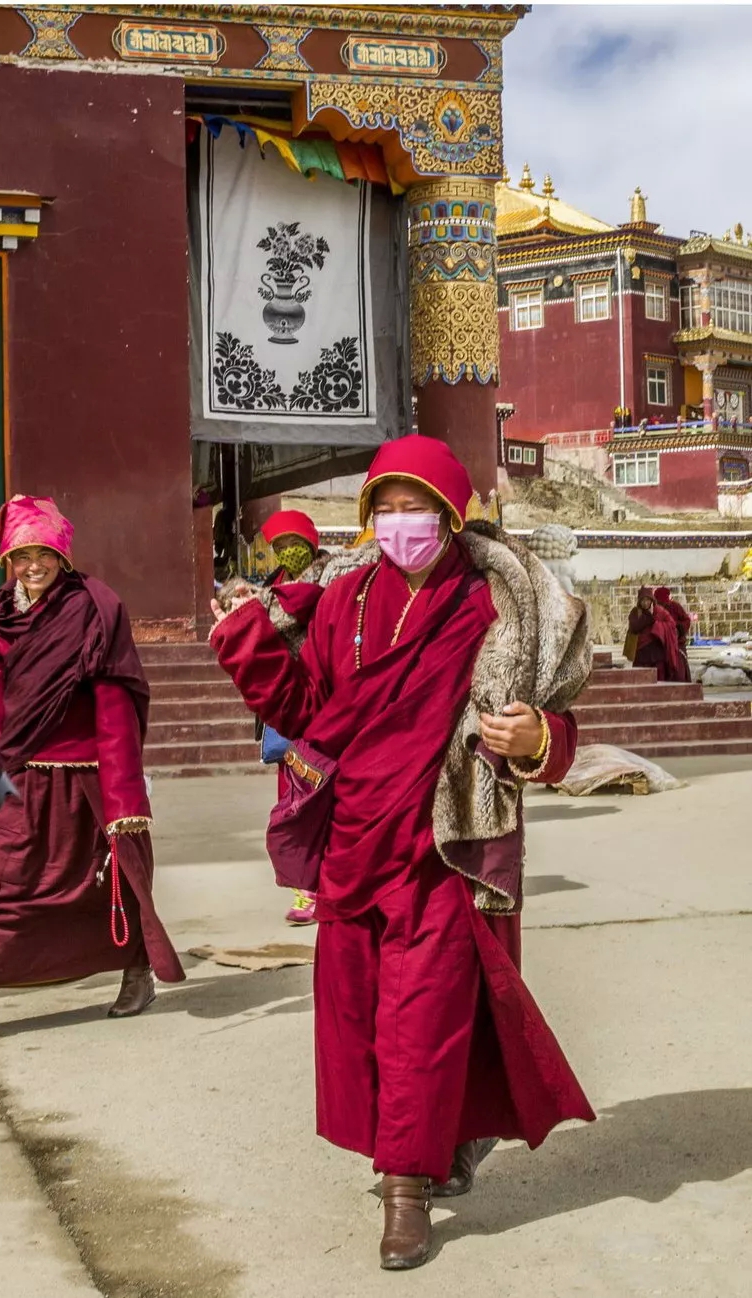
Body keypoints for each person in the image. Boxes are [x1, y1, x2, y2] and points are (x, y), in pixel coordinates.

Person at [210, 436, 595, 1270]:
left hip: (442, 849)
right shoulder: (345, 602)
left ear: (451, 516)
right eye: (382, 509)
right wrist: (248, 642)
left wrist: (537, 738)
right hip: (355, 844)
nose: (397, 524)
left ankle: (406, 1189)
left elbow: (555, 727)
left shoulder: (502, 609)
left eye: (414, 507)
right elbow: (310, 707)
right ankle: (431, 1141)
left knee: (421, 1020)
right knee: (360, 1023)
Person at [0, 495, 184, 1044]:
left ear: (63, 555)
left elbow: (115, 704)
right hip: (23, 772)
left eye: (44, 554)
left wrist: (124, 792)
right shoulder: (3, 614)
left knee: (108, 881)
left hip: (87, 776)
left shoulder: (94, 607)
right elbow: (2, 700)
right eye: (21, 555)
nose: (33, 566)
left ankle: (137, 971)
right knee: (0, 882)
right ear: (7, 559)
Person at [258, 509, 328, 926]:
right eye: (280, 547)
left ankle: (326, 885)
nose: (289, 553)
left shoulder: (333, 579)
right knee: (294, 805)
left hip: (322, 706)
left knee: (322, 800)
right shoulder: (273, 587)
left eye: (295, 544)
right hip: (285, 711)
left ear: (311, 542)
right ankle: (306, 888)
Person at [625, 586, 682, 682]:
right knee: (641, 680)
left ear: (652, 600)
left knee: (659, 680)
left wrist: (657, 626)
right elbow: (634, 627)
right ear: (639, 601)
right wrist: (649, 616)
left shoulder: (660, 611)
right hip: (641, 653)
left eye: (648, 600)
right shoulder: (635, 612)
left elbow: (671, 625)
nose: (645, 603)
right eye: (643, 600)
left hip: (657, 653)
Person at [653, 586, 692, 681]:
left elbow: (686, 620)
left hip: (677, 644)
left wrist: (678, 629)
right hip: (661, 646)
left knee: (679, 671)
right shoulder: (654, 610)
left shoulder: (675, 607)